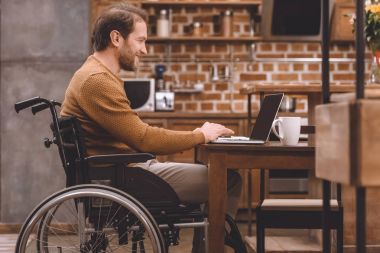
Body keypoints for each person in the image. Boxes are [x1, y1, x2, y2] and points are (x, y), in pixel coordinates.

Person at [60, 3, 242, 252]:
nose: (144, 50)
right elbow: (144, 139)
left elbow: (137, 133)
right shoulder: (97, 81)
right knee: (227, 179)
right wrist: (200, 134)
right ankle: (218, 246)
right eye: (141, 40)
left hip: (124, 170)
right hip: (125, 176)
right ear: (116, 38)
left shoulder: (96, 75)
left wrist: (195, 135)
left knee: (215, 175)